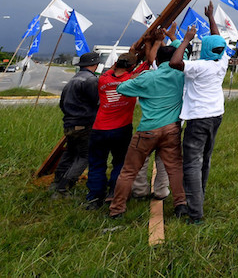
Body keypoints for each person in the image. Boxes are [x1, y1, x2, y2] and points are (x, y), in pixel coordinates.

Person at [107, 26, 195, 220]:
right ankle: (180, 205)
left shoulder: (148, 77)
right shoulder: (181, 73)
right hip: (172, 129)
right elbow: (183, 53)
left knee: (129, 171)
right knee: (174, 169)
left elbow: (122, 87)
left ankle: (117, 210)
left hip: (147, 130)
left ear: (157, 60)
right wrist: (177, 37)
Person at [171, 1, 229, 224]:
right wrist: (211, 18)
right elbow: (217, 40)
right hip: (216, 116)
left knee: (192, 163)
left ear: (204, 49)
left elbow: (176, 62)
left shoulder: (199, 67)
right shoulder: (221, 63)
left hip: (198, 119)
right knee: (205, 159)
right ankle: (199, 197)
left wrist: (186, 38)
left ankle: (195, 213)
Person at [84, 45, 151, 209]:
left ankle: (94, 197)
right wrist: (146, 47)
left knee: (97, 163)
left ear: (116, 63)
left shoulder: (104, 79)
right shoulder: (132, 80)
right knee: (120, 163)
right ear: (131, 67)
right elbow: (149, 61)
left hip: (99, 129)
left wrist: (129, 53)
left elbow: (115, 68)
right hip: (121, 129)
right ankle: (114, 193)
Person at [50, 52, 101, 198]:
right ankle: (63, 188)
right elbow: (97, 102)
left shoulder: (73, 80)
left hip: (70, 124)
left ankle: (56, 183)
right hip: (84, 124)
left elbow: (62, 104)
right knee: (84, 156)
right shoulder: (91, 81)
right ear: (95, 64)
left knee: (70, 153)